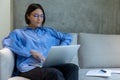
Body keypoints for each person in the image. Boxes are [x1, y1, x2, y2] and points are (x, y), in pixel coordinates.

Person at [2, 3, 79, 80]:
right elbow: (7, 42)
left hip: (47, 65)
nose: (39, 19)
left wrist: (60, 48)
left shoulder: (49, 31)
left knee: (73, 68)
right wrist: (30, 52)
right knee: (54, 73)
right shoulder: (19, 33)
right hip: (29, 67)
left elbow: (67, 37)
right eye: (35, 16)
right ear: (28, 16)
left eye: (41, 16)